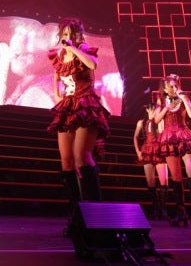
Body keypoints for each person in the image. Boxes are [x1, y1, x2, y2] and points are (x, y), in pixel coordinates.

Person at [46, 17, 109, 237]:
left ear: (78, 34)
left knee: (82, 156)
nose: (67, 37)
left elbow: (92, 64)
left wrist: (73, 48)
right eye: (64, 33)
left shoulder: (82, 49)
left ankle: (96, 216)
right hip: (68, 105)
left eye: (71, 33)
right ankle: (76, 217)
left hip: (86, 104)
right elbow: (57, 76)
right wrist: (58, 95)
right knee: (66, 162)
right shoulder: (59, 55)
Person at [155, 74, 191, 228]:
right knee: (176, 177)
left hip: (184, 135)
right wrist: (166, 107)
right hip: (169, 138)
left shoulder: (184, 98)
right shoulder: (161, 100)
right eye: (171, 86)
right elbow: (156, 120)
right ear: (165, 88)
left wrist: (184, 99)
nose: (174, 88)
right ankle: (181, 212)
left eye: (176, 85)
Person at [133, 102, 168, 220]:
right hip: (147, 151)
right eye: (152, 109)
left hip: (160, 151)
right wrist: (138, 151)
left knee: (164, 181)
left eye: (156, 109)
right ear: (147, 110)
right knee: (150, 181)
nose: (154, 111)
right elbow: (135, 137)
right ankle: (155, 209)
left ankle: (163, 210)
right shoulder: (141, 122)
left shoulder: (160, 122)